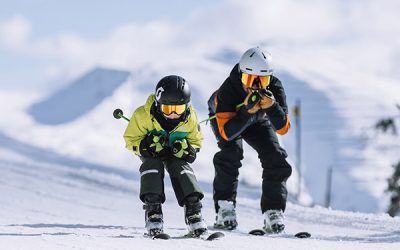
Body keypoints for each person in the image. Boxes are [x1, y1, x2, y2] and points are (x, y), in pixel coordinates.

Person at [207, 47, 292, 233]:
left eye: (262, 80)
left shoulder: (275, 88)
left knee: (275, 156)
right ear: (241, 74)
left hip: (258, 120)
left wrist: (272, 106)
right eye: (249, 79)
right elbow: (226, 134)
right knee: (231, 153)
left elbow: (283, 128)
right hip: (228, 120)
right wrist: (247, 112)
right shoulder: (229, 88)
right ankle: (224, 207)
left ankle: (273, 210)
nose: (255, 86)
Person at [123, 75, 207, 237]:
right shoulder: (142, 115)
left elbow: (197, 141)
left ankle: (193, 211)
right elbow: (130, 139)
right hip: (153, 153)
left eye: (179, 109)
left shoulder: (190, 118)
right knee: (152, 166)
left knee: (182, 168)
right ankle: (153, 211)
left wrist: (188, 150)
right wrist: (146, 146)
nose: (173, 114)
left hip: (175, 154)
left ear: (187, 106)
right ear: (157, 103)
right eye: (168, 109)